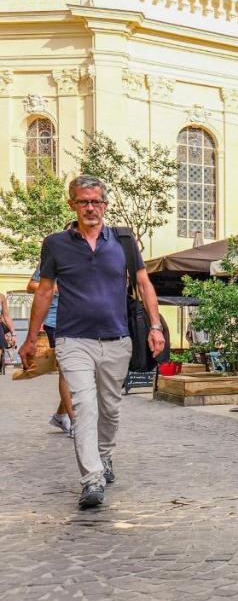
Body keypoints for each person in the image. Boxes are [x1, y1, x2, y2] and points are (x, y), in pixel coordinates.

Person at [22, 176, 166, 509]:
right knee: (85, 409)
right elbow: (44, 291)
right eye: (83, 201)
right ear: (72, 204)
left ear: (105, 205)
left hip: (117, 339)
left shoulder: (124, 241)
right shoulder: (56, 244)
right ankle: (92, 479)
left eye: (96, 201)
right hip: (74, 340)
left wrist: (155, 326)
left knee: (110, 410)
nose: (91, 207)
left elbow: (144, 284)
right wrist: (31, 337)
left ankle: (104, 456)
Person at [26, 271, 73, 436]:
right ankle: (76, 422)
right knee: (67, 370)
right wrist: (57, 287)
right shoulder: (53, 252)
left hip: (81, 319)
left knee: (79, 371)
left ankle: (61, 415)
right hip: (56, 321)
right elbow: (31, 286)